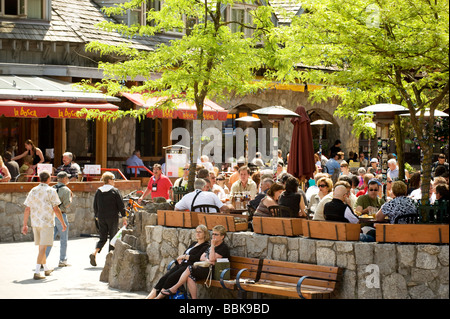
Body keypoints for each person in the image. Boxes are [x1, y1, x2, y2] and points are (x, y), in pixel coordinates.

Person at [157, 225, 230, 299]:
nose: (213, 236)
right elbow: (202, 257)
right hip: (205, 268)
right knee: (189, 276)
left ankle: (174, 288)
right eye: (213, 234)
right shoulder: (211, 246)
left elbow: (211, 259)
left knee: (189, 268)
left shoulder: (223, 247)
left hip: (213, 272)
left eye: (216, 234)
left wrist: (212, 248)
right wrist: (208, 259)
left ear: (222, 236)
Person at [21, 170, 67, 280]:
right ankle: (37, 271)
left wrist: (25, 224)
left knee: (41, 247)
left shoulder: (33, 190)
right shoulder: (51, 191)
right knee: (43, 248)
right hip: (47, 223)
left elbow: (27, 208)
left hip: (35, 222)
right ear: (49, 179)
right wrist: (63, 223)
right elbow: (56, 209)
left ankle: (46, 269)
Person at [146, 225, 210, 299]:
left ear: (205, 234)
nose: (197, 234)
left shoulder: (205, 245)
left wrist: (183, 257)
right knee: (163, 278)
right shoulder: (194, 243)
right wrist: (180, 258)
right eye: (196, 232)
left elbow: (197, 257)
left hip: (189, 267)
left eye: (200, 232)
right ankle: (149, 297)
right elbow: (186, 253)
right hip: (182, 264)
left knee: (171, 278)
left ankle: (158, 298)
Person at [89, 172, 127, 266]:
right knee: (113, 238)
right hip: (112, 217)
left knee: (103, 238)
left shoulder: (99, 191)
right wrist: (124, 217)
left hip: (101, 217)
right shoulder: (115, 191)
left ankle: (94, 253)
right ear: (109, 180)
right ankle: (110, 260)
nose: (114, 181)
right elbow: (121, 205)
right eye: (113, 179)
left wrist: (96, 216)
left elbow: (95, 205)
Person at [45, 171, 73, 267]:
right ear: (64, 178)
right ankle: (62, 260)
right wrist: (71, 198)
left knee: (50, 238)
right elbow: (67, 205)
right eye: (67, 178)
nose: (68, 179)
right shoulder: (66, 190)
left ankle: (43, 258)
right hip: (61, 215)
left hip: (51, 215)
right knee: (63, 238)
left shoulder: (51, 188)